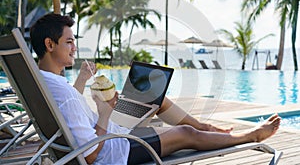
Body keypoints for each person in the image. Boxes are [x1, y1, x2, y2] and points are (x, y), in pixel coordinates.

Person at [30, 13, 281, 164]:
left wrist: (84, 79)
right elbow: (92, 156)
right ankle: (248, 136)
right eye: (69, 42)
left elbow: (69, 107)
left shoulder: (44, 80)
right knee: (184, 133)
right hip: (115, 148)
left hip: (110, 132)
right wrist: (105, 112)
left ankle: (206, 128)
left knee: (152, 97)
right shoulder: (60, 92)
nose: (74, 47)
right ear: (50, 44)